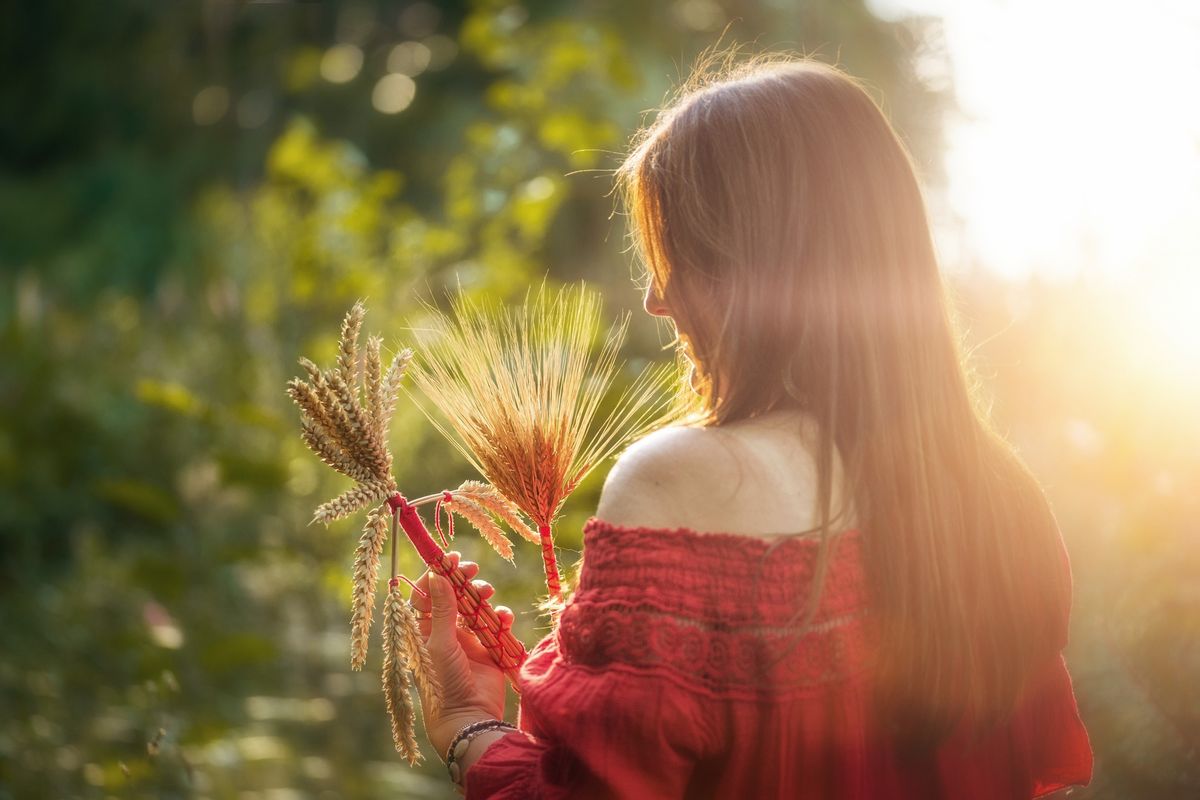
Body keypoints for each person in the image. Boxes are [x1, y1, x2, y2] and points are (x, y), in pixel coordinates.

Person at [408, 51, 1094, 798]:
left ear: (753, 272)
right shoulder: (1004, 499)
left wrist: (466, 722)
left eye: (677, 259)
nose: (657, 303)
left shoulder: (681, 481)